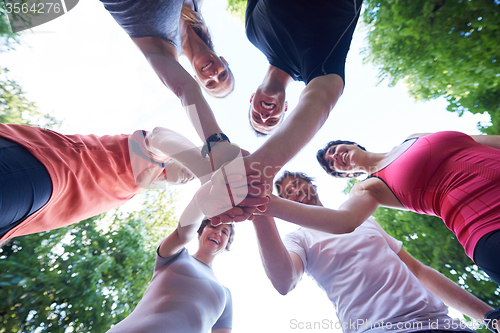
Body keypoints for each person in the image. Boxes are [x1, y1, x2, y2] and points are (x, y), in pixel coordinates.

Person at [252, 171, 500, 333]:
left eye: (297, 184)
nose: (295, 191)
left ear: (311, 184)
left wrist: (489, 315)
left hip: (444, 325)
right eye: (286, 193)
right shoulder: (299, 238)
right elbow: (285, 281)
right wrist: (260, 211)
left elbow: (418, 270)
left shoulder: (365, 221)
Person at [308, 131, 500, 286]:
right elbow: (344, 220)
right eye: (331, 163)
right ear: (345, 174)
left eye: (333, 149)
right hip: (487, 224)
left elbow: (477, 141)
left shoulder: (412, 137)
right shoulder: (366, 187)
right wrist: (277, 205)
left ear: (352, 144)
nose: (334, 156)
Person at [0, 123, 244, 242]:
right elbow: (160, 136)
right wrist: (206, 172)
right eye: (189, 167)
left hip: (28, 217)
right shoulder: (146, 156)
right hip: (45, 167)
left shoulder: (135, 187)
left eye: (189, 178)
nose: (187, 177)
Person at [99, 0, 233, 144]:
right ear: (224, 61)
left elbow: (186, 88)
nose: (213, 75)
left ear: (198, 80)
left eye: (210, 84)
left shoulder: (167, 51)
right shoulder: (196, 5)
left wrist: (218, 144)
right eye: (222, 75)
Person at [106, 193, 235, 332]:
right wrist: (203, 197)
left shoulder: (225, 295)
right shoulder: (176, 255)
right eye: (213, 226)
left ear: (227, 243)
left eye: (225, 232)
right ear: (200, 231)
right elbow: (182, 234)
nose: (218, 233)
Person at [245, 0, 361, 135]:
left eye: (256, 117)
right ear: (285, 108)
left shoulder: (252, 32)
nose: (264, 117)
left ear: (252, 98)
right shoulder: (318, 70)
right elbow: (322, 100)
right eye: (272, 121)